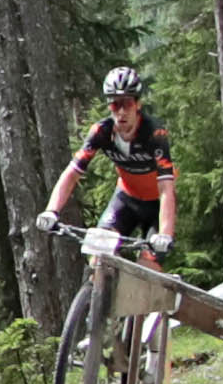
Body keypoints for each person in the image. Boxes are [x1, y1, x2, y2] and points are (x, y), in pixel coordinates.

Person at [49, 66, 177, 260]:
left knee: (147, 264)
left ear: (138, 104)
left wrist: (165, 234)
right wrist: (51, 211)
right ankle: (96, 288)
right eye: (115, 105)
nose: (122, 112)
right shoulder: (101, 132)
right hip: (125, 199)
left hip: (156, 205)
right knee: (98, 256)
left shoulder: (154, 134)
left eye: (127, 103)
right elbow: (72, 173)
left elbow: (167, 188)